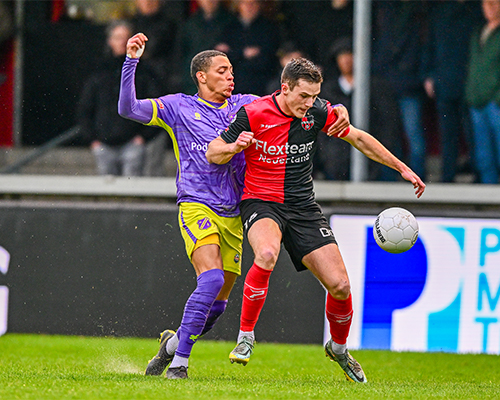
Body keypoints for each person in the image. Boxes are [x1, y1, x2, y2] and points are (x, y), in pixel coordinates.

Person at [119, 32, 354, 379]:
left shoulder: (245, 104)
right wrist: (131, 61)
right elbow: (128, 108)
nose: (231, 75)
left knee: (217, 305)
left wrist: (337, 108)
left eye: (231, 70)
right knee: (211, 280)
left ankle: (171, 346)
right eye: (222, 70)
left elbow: (291, 101)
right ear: (201, 76)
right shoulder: (177, 107)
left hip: (237, 211)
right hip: (197, 204)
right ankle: (180, 364)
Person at [206, 57, 425, 383]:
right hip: (261, 202)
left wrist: (402, 168)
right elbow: (213, 151)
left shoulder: (317, 112)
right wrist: (235, 146)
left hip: (303, 208)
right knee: (266, 254)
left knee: (340, 285)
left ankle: (338, 348)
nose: (310, 104)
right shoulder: (254, 114)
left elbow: (359, 139)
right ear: (285, 88)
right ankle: (246, 337)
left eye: (315, 97)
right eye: (304, 97)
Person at [77, 20, 161, 176]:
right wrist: (92, 140)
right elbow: (85, 108)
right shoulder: (99, 72)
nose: (122, 42)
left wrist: (143, 137)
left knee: (131, 191)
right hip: (103, 144)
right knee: (107, 192)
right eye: (118, 37)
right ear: (110, 41)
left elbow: (157, 107)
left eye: (126, 38)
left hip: (132, 143)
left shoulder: (145, 72)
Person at [318, 36, 403, 181]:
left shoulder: (375, 87)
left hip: (371, 157)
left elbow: (388, 122)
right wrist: (327, 154)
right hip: (336, 159)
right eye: (342, 56)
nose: (346, 60)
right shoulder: (328, 90)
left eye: (350, 55)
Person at [424, 0, 483, 183]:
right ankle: (448, 175)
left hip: (470, 84)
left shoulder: (475, 12)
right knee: (448, 134)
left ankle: (477, 175)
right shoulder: (440, 12)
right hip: (445, 82)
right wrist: (428, 75)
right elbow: (430, 45)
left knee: (472, 133)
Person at [371, 0, 428, 180]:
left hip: (408, 85)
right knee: (389, 135)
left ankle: (417, 179)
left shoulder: (417, 13)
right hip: (386, 84)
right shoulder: (383, 10)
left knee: (413, 135)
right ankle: (389, 178)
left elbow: (421, 48)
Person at [465, 0, 500, 184]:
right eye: (487, 4)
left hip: (495, 103)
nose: (491, 8)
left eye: (495, 3)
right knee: (483, 154)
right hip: (477, 101)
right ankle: (490, 194)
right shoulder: (478, 31)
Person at [215, 0, 279, 96]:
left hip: (261, 84)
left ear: (259, 5)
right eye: (245, 3)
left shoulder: (268, 28)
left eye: (253, 3)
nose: (249, 7)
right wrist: (243, 53)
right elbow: (222, 55)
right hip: (234, 85)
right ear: (238, 5)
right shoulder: (229, 27)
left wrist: (234, 52)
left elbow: (268, 57)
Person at [177, 0, 236, 94]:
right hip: (193, 80)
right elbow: (181, 52)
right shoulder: (190, 23)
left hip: (221, 80)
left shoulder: (230, 22)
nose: (209, 2)